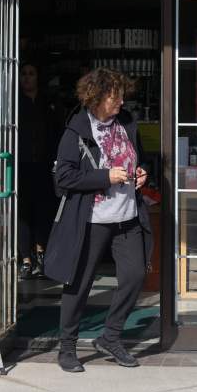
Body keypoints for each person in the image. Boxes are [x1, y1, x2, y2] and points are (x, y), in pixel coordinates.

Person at [44, 68, 152, 373]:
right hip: (91, 219)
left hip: (127, 216)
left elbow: (138, 158)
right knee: (79, 284)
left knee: (134, 277)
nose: (120, 101)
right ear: (96, 97)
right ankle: (67, 347)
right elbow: (63, 178)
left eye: (120, 94)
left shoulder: (127, 123)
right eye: (113, 95)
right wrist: (105, 176)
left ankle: (111, 337)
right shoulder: (76, 131)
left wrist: (142, 174)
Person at [17, 62, 56, 279]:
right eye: (23, 74)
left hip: (44, 166)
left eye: (31, 74)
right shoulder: (14, 103)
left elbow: (56, 132)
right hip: (22, 166)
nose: (27, 78)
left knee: (43, 212)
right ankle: (25, 259)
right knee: (23, 214)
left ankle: (41, 253)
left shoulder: (47, 103)